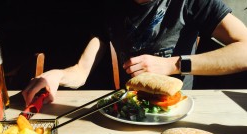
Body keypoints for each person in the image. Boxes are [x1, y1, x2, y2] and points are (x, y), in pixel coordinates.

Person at [22, 0, 247, 106]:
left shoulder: (193, 2)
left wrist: (173, 65)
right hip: (128, 110)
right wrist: (58, 75)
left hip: (177, 111)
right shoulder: (107, 7)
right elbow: (81, 71)